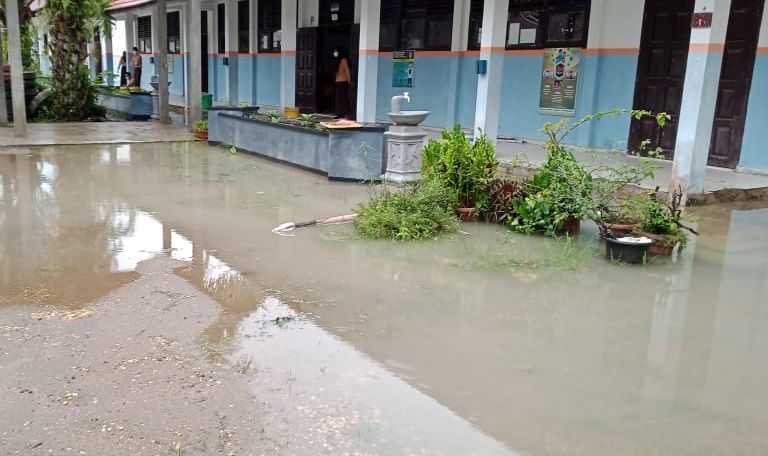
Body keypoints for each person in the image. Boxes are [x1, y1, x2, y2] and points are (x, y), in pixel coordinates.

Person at [333, 48, 352, 119]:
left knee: (341, 99)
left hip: (340, 81)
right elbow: (346, 70)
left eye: (336, 52)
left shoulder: (342, 60)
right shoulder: (340, 60)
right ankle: (341, 114)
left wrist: (349, 80)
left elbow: (346, 70)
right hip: (340, 81)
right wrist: (349, 80)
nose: (335, 53)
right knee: (340, 99)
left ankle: (342, 113)